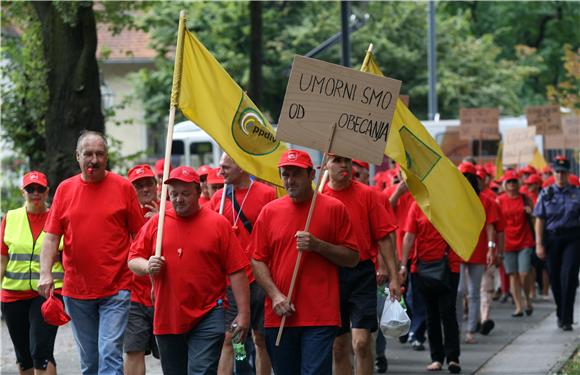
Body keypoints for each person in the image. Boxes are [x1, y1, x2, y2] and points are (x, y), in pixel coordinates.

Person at [38, 131, 145, 375]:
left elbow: (140, 235)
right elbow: (52, 237)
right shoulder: (65, 190)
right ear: (78, 157)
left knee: (109, 354)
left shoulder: (123, 188)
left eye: (99, 154)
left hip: (117, 287)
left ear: (107, 157)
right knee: (90, 362)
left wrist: (142, 270)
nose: (94, 160)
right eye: (88, 154)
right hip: (77, 290)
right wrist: (45, 273)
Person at [128, 166, 251, 374]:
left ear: (197, 191)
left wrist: (244, 314)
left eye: (185, 194)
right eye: (174, 194)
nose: (178, 199)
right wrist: (148, 265)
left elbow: (237, 270)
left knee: (201, 370)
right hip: (168, 315)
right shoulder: (158, 223)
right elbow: (133, 260)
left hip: (209, 313)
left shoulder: (218, 224)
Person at [249, 149, 359, 375]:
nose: (290, 180)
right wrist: (275, 295)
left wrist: (319, 246)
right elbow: (256, 260)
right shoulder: (269, 212)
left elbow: (352, 258)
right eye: (285, 174)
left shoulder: (334, 208)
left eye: (296, 174)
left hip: (321, 315)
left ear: (311, 175)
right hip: (280, 314)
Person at [322, 154, 399, 375]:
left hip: (362, 272)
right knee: (338, 346)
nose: (344, 165)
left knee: (362, 342)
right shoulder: (318, 195)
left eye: (347, 160)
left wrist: (393, 276)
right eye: (337, 160)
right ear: (326, 164)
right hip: (330, 274)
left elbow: (384, 236)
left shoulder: (367, 195)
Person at [209, 153, 276, 375]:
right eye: (220, 167)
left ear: (243, 167)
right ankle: (242, 365)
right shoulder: (218, 198)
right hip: (232, 282)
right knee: (232, 337)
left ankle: (250, 368)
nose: (221, 171)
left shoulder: (267, 194)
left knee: (261, 338)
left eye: (226, 167)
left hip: (260, 279)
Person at [1, 171, 64, 375]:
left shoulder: (59, 217)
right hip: (12, 295)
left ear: (47, 192)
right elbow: (2, 259)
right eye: (30, 189)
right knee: (24, 355)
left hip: (46, 295)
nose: (35, 193)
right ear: (23, 192)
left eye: (40, 189)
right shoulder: (10, 218)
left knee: (40, 351)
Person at [400, 201, 462, 374]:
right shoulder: (416, 205)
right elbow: (409, 236)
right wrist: (403, 265)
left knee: (448, 312)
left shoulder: (451, 203)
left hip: (449, 266)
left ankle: (453, 358)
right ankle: (436, 358)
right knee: (431, 314)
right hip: (423, 267)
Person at [534, 156, 580, 331]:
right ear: (553, 173)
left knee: (568, 276)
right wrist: (538, 244)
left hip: (573, 238)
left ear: (568, 173)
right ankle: (561, 311)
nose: (560, 175)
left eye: (563, 172)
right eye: (557, 172)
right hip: (552, 238)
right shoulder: (546, 193)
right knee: (555, 278)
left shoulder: (577, 192)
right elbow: (540, 219)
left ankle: (567, 318)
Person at [124, 164, 160, 375]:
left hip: (165, 294)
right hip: (134, 294)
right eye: (138, 186)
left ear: (156, 186)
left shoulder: (172, 209)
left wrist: (160, 218)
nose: (145, 189)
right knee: (133, 349)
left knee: (169, 350)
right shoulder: (123, 214)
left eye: (148, 184)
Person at [497, 170, 535, 317]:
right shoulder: (499, 200)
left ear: (518, 183)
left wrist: (530, 212)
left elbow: (534, 219)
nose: (512, 184)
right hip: (507, 242)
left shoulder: (525, 199)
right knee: (513, 275)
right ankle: (519, 306)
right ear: (505, 185)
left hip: (524, 240)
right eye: (509, 181)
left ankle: (527, 299)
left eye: (514, 181)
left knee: (524, 273)